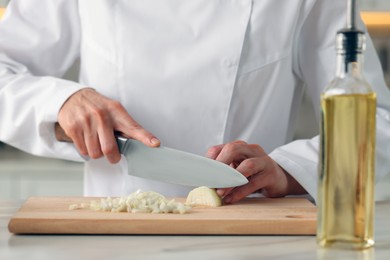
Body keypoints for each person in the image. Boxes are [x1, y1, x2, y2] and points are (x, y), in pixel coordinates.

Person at [0, 0, 389, 203]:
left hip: (254, 235)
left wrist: (287, 171)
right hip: (115, 233)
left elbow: (377, 125)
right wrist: (63, 101)